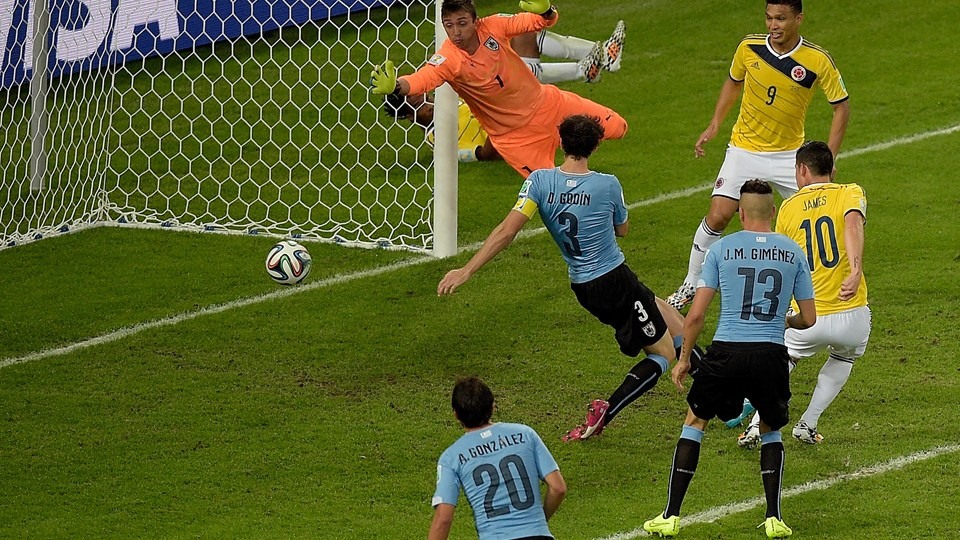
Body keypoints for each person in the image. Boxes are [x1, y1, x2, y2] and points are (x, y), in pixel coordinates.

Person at [438, 115, 692, 443]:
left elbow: (507, 230)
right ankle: (607, 410)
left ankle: (717, 391)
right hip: (613, 279)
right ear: (596, 145)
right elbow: (623, 230)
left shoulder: (539, 182)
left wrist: (466, 270)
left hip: (584, 285)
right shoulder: (607, 184)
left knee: (675, 321)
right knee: (662, 355)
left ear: (560, 142)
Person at [643, 179, 816, 539]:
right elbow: (809, 319)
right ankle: (773, 517)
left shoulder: (721, 250)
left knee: (696, 421)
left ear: (739, 214)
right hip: (770, 354)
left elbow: (695, 316)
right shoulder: (793, 252)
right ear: (773, 212)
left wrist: (684, 358)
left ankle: (671, 515)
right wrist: (785, 320)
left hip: (727, 352)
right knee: (770, 428)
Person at [666, 0, 850, 311]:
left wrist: (828, 158)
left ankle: (829, 289)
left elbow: (841, 107)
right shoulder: (748, 48)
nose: (773, 25)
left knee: (816, 217)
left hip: (789, 156)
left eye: (781, 18)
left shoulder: (817, 60)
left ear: (799, 19)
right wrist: (715, 123)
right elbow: (733, 82)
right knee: (719, 214)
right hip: (744, 149)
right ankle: (690, 283)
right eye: (769, 18)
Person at [369, 0, 628, 178]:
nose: (456, 32)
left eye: (462, 23)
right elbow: (423, 78)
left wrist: (547, 11)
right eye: (449, 26)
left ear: (475, 21)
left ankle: (592, 64)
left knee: (618, 127)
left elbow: (533, 22)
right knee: (556, 196)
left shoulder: (493, 25)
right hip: (517, 138)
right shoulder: (448, 60)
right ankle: (588, 67)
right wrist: (398, 85)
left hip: (548, 103)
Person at [736, 141, 870, 448]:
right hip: (852, 314)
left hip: (807, 318)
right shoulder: (850, 192)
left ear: (802, 170)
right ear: (831, 170)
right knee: (844, 357)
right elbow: (852, 224)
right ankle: (808, 423)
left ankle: (757, 425)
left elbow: (780, 262)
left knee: (784, 360)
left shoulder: (789, 207)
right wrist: (854, 270)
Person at [428, 376, 567, 540]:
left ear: (456, 414)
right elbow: (558, 488)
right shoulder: (526, 434)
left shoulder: (451, 457)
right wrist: (538, 521)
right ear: (493, 406)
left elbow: (443, 519)